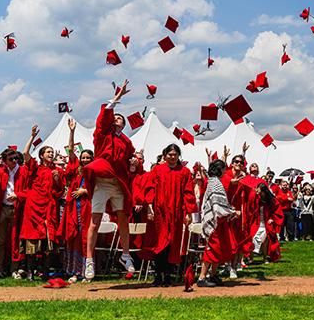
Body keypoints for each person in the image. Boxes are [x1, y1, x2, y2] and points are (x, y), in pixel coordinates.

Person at [84, 81, 142, 280]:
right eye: (114, 117)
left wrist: (133, 162)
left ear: (123, 124)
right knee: (95, 221)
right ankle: (89, 260)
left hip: (118, 183)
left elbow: (131, 163)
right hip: (102, 181)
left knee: (123, 218)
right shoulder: (102, 135)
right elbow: (103, 117)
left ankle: (125, 256)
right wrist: (117, 99)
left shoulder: (127, 141)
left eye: (119, 118)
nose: (115, 118)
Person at [141, 144, 197, 287]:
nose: (172, 157)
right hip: (159, 213)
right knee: (159, 244)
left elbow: (188, 193)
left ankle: (168, 276)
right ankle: (157, 276)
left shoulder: (184, 172)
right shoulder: (157, 170)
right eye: (170, 154)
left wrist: (189, 213)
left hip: (176, 214)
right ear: (164, 155)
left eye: (175, 155)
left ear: (179, 156)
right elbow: (150, 189)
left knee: (172, 244)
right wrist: (150, 208)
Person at [18, 126, 64, 281]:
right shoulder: (35, 168)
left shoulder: (56, 171)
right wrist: (32, 137)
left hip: (49, 210)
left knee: (48, 244)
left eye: (52, 152)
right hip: (34, 208)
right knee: (32, 242)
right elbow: (25, 154)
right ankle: (30, 272)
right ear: (42, 155)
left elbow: (60, 192)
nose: (51, 154)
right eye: (48, 152)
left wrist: (57, 179)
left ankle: (44, 271)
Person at [58, 119, 94, 283]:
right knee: (74, 239)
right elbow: (71, 150)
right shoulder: (75, 171)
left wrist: (84, 190)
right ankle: (74, 272)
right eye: (83, 158)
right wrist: (71, 132)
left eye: (88, 158)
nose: (85, 160)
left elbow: (99, 190)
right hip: (73, 209)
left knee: (86, 239)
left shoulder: (95, 173)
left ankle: (87, 273)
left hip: (87, 209)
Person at [198, 158, 236, 288]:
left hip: (219, 221)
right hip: (215, 221)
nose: (226, 171)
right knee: (211, 249)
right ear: (219, 169)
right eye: (224, 168)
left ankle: (213, 275)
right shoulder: (214, 183)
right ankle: (202, 277)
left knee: (219, 249)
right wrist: (232, 212)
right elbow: (216, 205)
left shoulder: (215, 181)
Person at [0, 146, 25, 280]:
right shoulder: (0, 172)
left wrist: (18, 195)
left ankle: (14, 270)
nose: (15, 160)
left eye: (16, 158)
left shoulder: (23, 171)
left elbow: (30, 189)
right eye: (11, 159)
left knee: (15, 240)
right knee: (1, 241)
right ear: (5, 161)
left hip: (16, 209)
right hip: (3, 208)